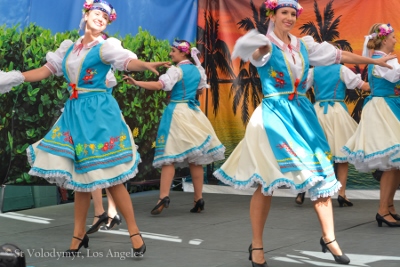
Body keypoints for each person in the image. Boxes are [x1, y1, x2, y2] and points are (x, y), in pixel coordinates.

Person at [213, 1, 396, 266]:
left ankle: (330, 238)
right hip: (275, 116)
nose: (288, 18)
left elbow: (340, 57)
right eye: (283, 13)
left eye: (292, 14)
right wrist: (258, 43)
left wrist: (372, 59)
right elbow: (260, 51)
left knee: (322, 174)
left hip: (302, 113)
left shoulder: (304, 46)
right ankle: (257, 245)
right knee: (267, 183)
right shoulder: (266, 44)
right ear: (273, 15)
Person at [0, 0, 169, 257]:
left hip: (99, 114)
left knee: (111, 178)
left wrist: (144, 66)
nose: (101, 18)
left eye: (106, 16)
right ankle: (77, 237)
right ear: (86, 14)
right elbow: (45, 71)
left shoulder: (106, 47)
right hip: (74, 113)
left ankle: (134, 233)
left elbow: (126, 61)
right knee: (81, 180)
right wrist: (16, 77)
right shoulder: (69, 48)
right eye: (97, 13)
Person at [123, 40, 225, 215]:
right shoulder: (196, 70)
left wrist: (136, 82)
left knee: (168, 156)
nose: (170, 54)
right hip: (193, 113)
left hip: (177, 113)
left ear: (182, 53)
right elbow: (200, 90)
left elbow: (160, 86)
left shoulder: (175, 70)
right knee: (196, 158)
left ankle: (163, 197)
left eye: (173, 51)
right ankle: (198, 198)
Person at [343, 23, 400, 227]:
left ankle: (389, 207)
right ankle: (383, 210)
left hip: (388, 107)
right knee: (392, 162)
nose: (395, 40)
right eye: (393, 37)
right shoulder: (381, 60)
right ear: (384, 39)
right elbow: (394, 77)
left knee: (395, 163)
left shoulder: (378, 59)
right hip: (384, 110)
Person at [295, 63, 370, 206]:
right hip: (337, 112)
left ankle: (303, 188)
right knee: (342, 155)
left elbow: (300, 88)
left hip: (318, 112)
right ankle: (341, 194)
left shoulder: (313, 71)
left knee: (315, 152)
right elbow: (362, 86)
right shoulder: (341, 69)